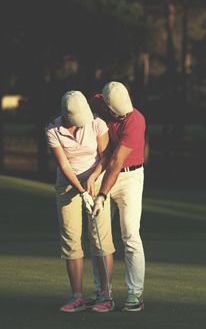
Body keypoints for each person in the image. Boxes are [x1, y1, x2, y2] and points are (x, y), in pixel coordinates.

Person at [46, 90, 116, 313]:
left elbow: (105, 156)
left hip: (96, 181)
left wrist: (93, 181)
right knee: (71, 238)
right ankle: (77, 296)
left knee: (100, 239)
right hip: (68, 185)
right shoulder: (52, 130)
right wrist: (80, 191)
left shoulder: (96, 123)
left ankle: (105, 295)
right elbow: (64, 166)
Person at [89, 81, 146, 312]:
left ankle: (135, 294)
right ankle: (103, 292)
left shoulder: (135, 120)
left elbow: (116, 162)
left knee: (130, 234)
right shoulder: (96, 103)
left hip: (130, 178)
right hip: (105, 172)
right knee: (98, 235)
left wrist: (102, 194)